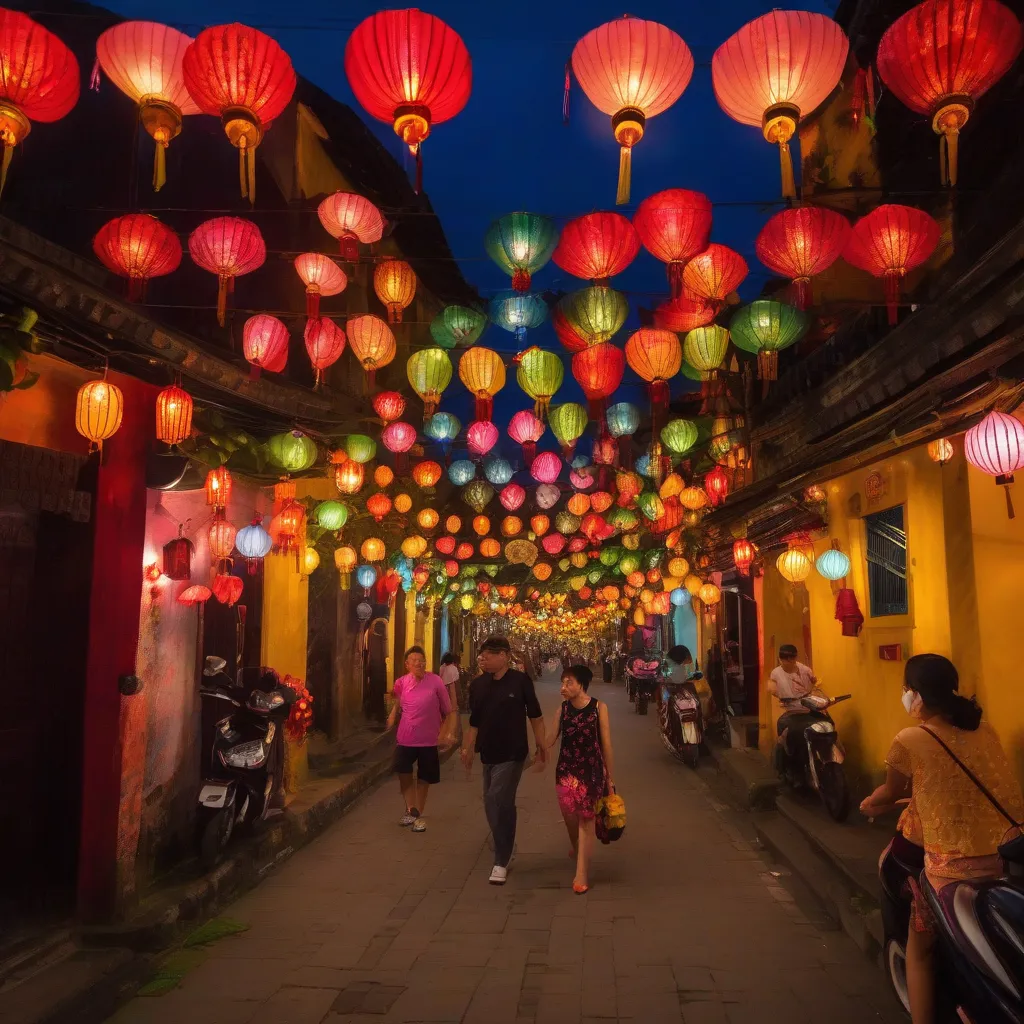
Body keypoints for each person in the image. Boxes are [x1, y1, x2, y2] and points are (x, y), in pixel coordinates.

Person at [860, 654, 1024, 1024]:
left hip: (951, 869)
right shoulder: (986, 730)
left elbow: (890, 792)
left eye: (906, 689)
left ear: (915, 694)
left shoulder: (909, 739)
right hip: (1005, 855)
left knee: (920, 949)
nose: (904, 695)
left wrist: (872, 803)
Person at [461, 635, 547, 885]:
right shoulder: (478, 685)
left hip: (513, 753)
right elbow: (474, 722)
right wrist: (467, 749)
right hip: (488, 753)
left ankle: (501, 858)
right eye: (482, 654)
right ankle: (505, 839)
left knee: (496, 798)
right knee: (495, 804)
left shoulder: (520, 681)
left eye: (489, 654)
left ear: (504, 656)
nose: (483, 658)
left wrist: (541, 744)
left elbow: (536, 715)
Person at [545, 665, 615, 894]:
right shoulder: (563, 710)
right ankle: (578, 849)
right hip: (566, 771)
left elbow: (606, 745)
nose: (563, 687)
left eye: (569, 683)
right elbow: (549, 740)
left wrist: (610, 780)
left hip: (591, 771)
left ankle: (581, 872)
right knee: (570, 818)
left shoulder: (598, 708)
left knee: (586, 819)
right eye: (562, 682)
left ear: (581, 684)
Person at [387, 646, 457, 833]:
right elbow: (398, 700)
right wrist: (393, 714)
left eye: (422, 659)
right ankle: (411, 808)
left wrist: (446, 733)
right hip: (405, 738)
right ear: (407, 664)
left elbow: (448, 711)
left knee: (424, 778)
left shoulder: (436, 682)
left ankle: (417, 812)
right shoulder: (401, 682)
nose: (419, 663)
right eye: (415, 660)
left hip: (428, 740)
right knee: (404, 773)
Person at [767, 644, 820, 769]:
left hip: (809, 708)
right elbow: (773, 689)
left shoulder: (805, 670)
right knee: (786, 736)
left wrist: (815, 684)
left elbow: (814, 684)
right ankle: (785, 766)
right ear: (781, 659)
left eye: (792, 659)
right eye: (785, 659)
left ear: (795, 658)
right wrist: (774, 690)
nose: (788, 662)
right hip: (791, 711)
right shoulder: (776, 673)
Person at [439, 652, 462, 749]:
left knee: (445, 717)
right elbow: (455, 684)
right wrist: (458, 697)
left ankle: (442, 736)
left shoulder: (442, 667)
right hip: (451, 693)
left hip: (442, 692)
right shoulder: (453, 668)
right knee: (453, 713)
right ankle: (451, 736)